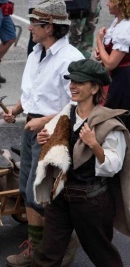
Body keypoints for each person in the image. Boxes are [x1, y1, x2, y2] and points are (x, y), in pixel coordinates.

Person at [2, 0, 84, 266]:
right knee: (28, 190)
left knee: (44, 193)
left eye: (35, 25)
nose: (31, 29)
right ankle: (38, 249)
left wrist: (44, 121)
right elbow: (33, 93)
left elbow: (79, 105)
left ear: (49, 27)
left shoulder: (71, 58)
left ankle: (60, 246)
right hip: (32, 128)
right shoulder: (36, 52)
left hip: (55, 132)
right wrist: (16, 109)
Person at [32, 58, 130, 267]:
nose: (73, 86)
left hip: (91, 202)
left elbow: (114, 165)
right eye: (71, 81)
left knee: (103, 256)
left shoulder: (108, 123)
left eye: (79, 82)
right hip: (60, 196)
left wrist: (94, 145)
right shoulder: (67, 112)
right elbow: (53, 140)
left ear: (95, 87)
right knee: (47, 254)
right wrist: (44, 139)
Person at [95, 0, 130, 131]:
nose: (107, 4)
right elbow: (109, 56)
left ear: (121, 4)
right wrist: (101, 52)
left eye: (111, 1)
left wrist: (99, 41)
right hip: (115, 77)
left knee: (116, 119)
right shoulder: (118, 22)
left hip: (122, 81)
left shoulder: (126, 27)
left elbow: (110, 63)